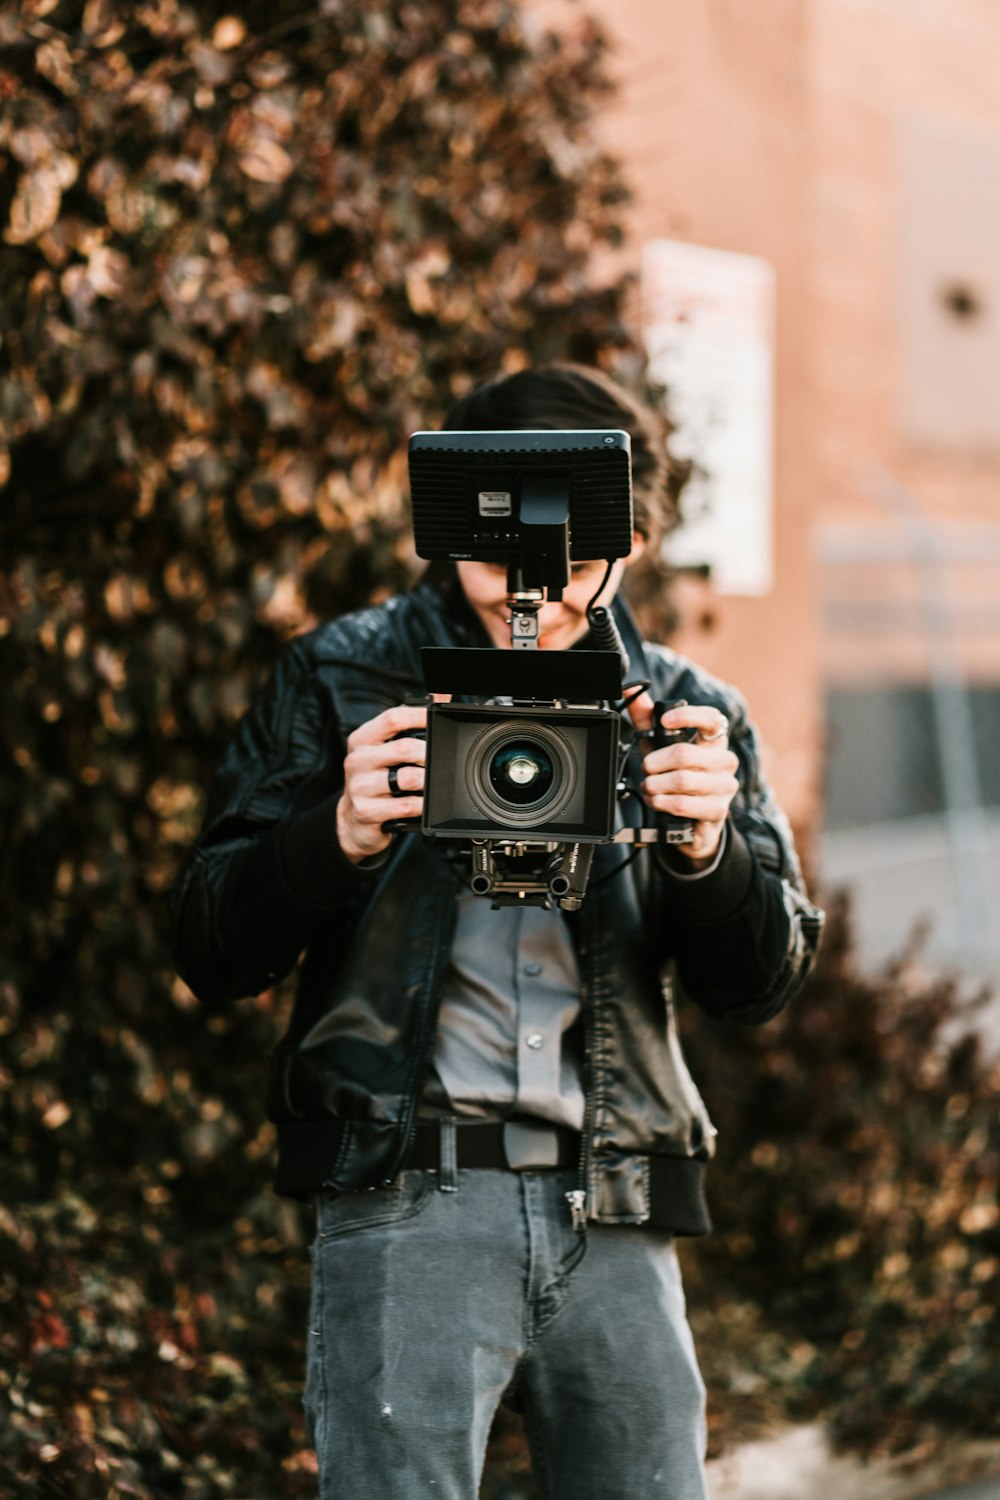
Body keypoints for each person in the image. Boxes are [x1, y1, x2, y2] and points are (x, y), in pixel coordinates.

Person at [171, 363, 823, 1500]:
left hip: (613, 1203)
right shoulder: (342, 678)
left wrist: (705, 851)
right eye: (499, 537)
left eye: (578, 551)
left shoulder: (681, 709)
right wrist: (337, 830)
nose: (538, 578)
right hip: (406, 1188)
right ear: (445, 520)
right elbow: (209, 945)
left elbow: (761, 982)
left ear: (631, 536)